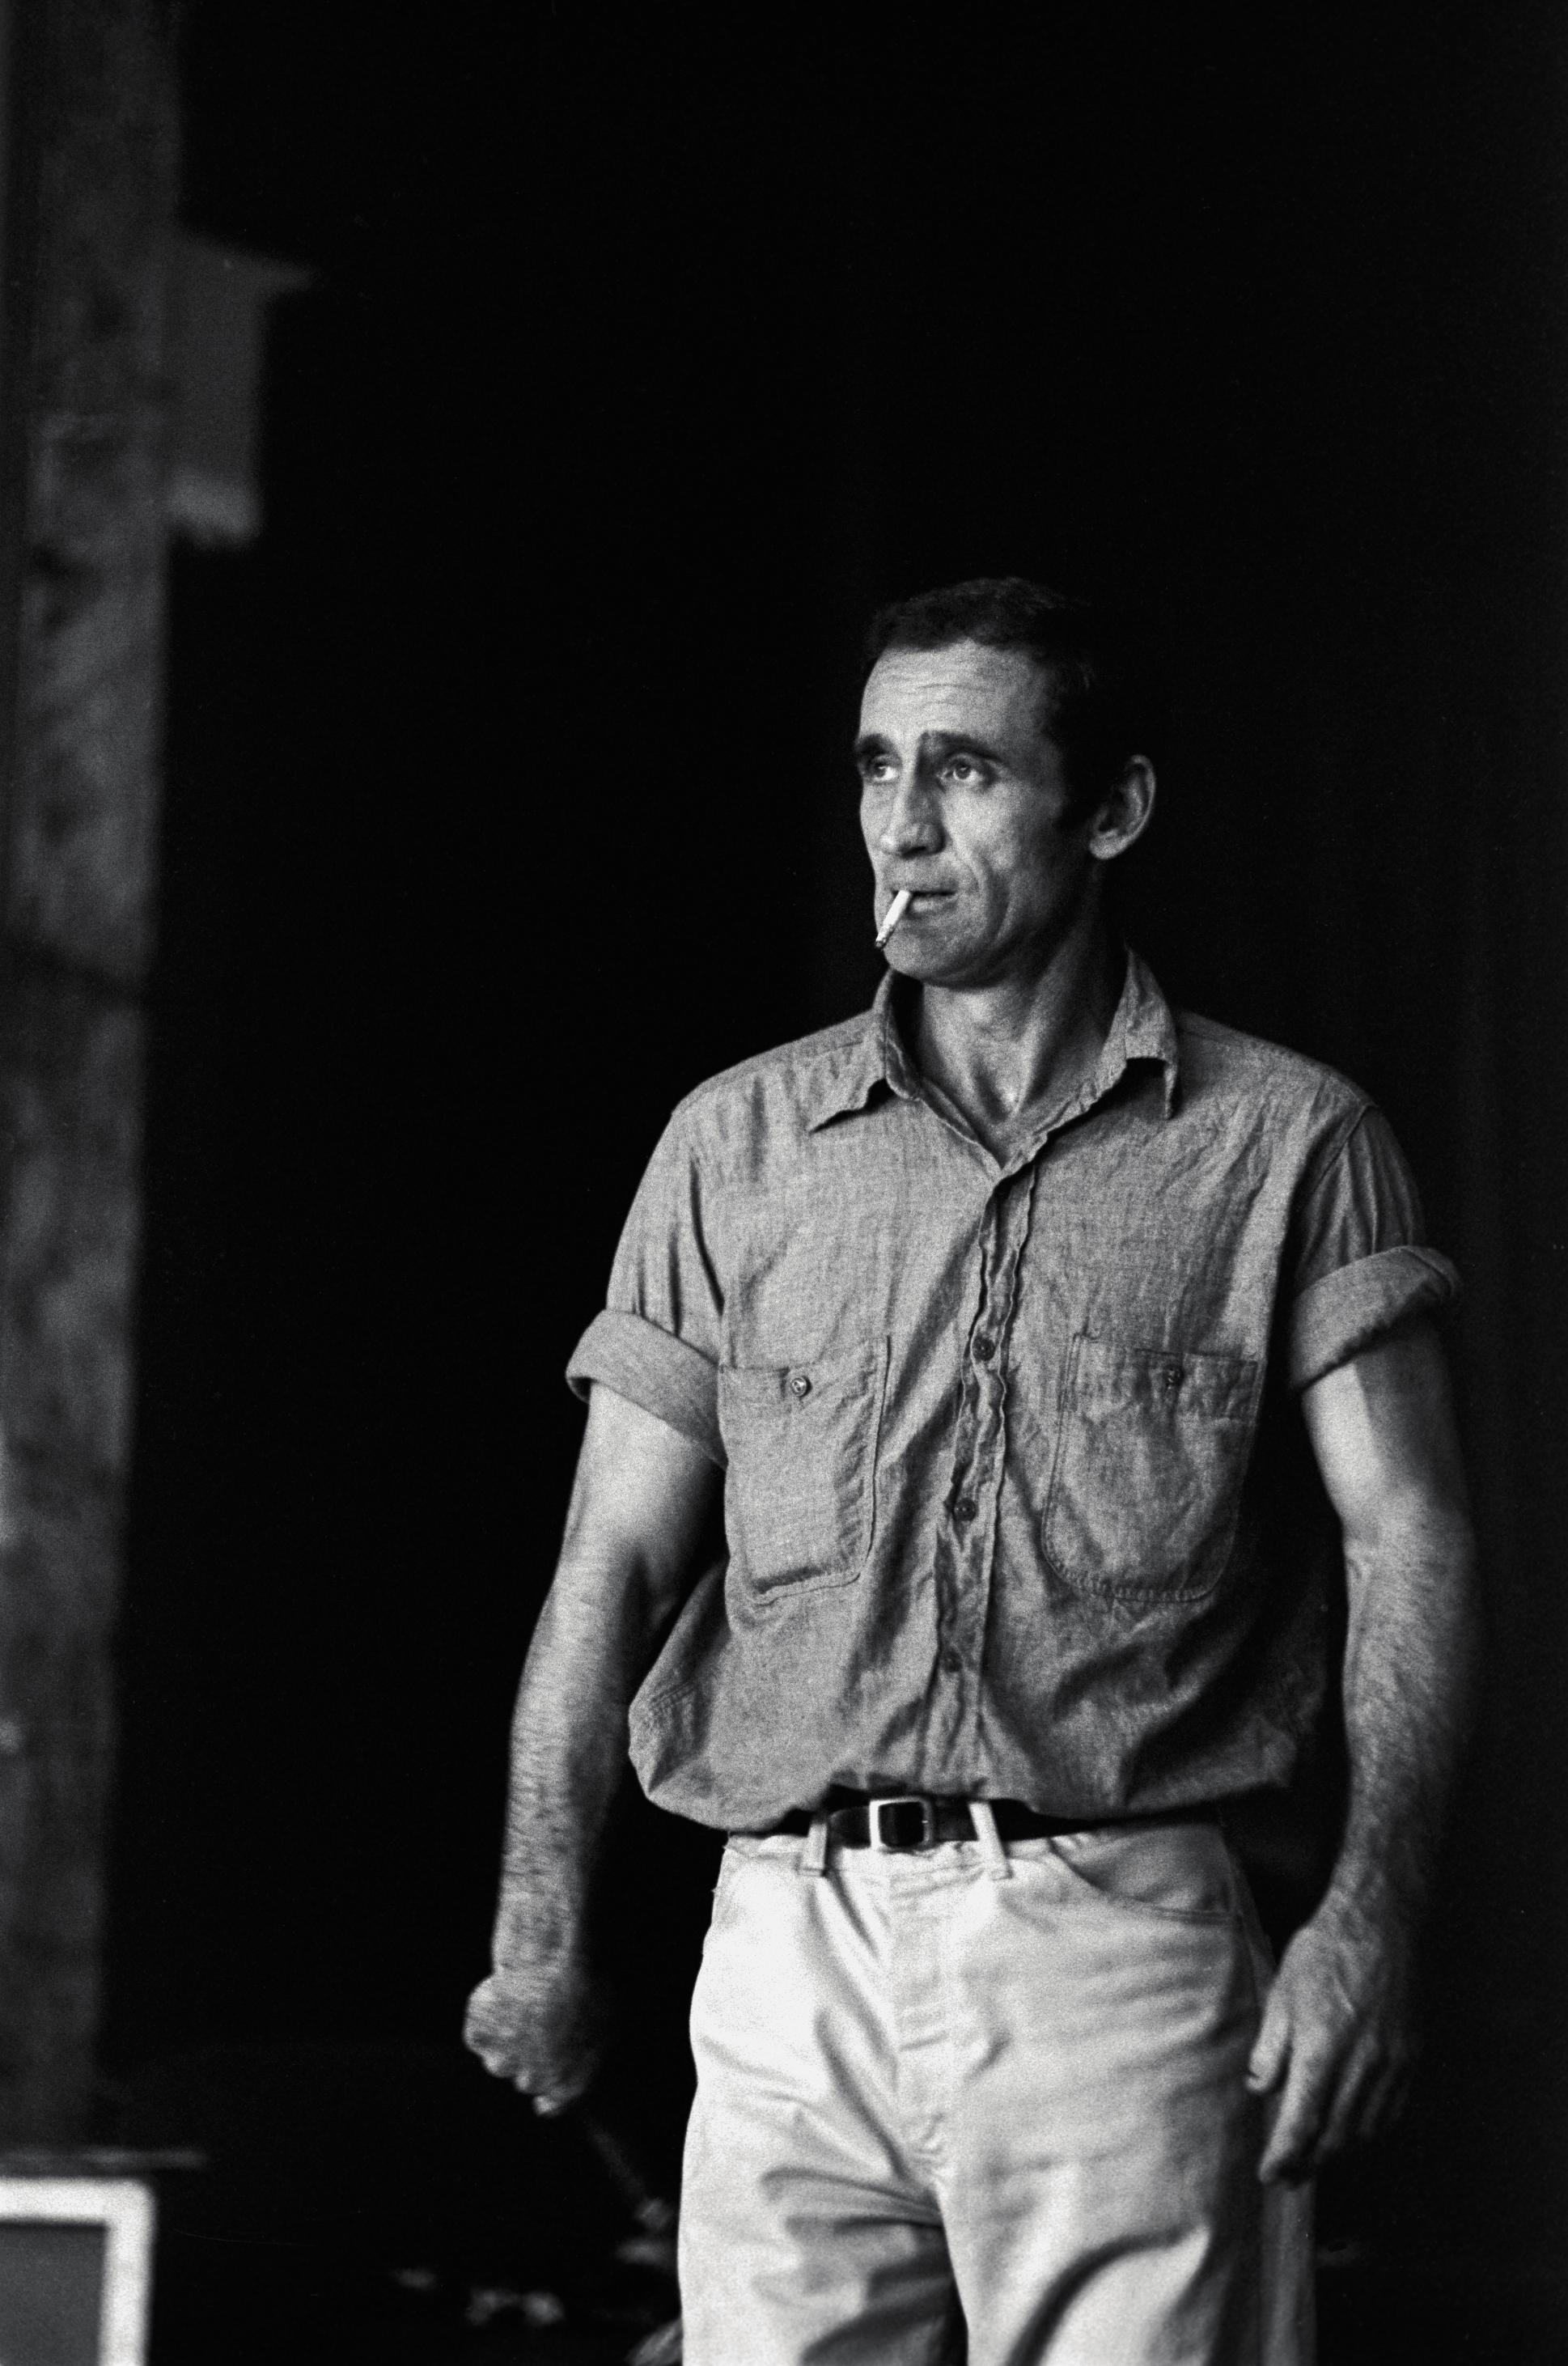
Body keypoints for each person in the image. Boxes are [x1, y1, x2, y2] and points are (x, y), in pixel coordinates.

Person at [465, 578, 1481, 2364]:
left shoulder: (1289, 1144)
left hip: (1122, 1958)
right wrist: (538, 1932)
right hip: (787, 1948)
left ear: (1113, 810)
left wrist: (1366, 1921)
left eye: (963, 770)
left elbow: (1412, 1541)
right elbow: (606, 1571)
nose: (902, 825)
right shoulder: (736, 1145)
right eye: (874, 768)